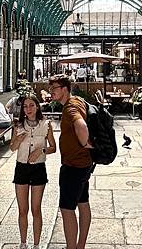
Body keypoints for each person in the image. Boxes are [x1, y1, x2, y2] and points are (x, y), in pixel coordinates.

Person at [49, 74, 94, 249]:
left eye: (54, 88)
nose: (51, 91)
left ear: (65, 89)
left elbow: (81, 126)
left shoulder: (70, 108)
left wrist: (85, 144)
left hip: (74, 166)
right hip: (84, 164)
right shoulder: (77, 101)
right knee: (83, 203)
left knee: (67, 209)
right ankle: (80, 245)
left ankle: (71, 247)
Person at [10, 94, 56, 249]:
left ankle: (36, 244)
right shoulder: (18, 125)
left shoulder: (46, 125)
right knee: (23, 210)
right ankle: (23, 243)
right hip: (21, 168)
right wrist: (18, 140)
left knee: (36, 209)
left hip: (38, 168)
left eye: (31, 105)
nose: (28, 109)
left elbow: (53, 148)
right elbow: (12, 148)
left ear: (37, 107)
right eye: (25, 106)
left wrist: (41, 151)